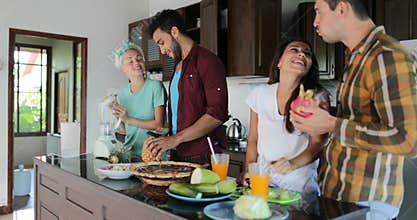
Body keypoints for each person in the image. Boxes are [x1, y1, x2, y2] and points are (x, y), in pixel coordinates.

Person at [290, 0, 417, 219]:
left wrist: (331, 123)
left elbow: (408, 140)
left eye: (318, 12)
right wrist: (325, 114)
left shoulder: (386, 57)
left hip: (367, 204)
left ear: (341, 8)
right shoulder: (356, 56)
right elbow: (360, 118)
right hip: (342, 199)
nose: (315, 22)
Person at [239, 39, 330, 195]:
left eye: (307, 53)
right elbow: (253, 139)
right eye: (294, 49)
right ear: (279, 62)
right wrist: (249, 170)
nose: (301, 53)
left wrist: (292, 164)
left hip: (299, 189)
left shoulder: (315, 97)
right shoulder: (259, 94)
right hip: (263, 184)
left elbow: (318, 144)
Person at [146, 9, 229, 164]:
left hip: (202, 156)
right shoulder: (178, 67)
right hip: (178, 154)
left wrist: (175, 139)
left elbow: (217, 114)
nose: (162, 50)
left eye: (162, 43)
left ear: (175, 32)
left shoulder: (208, 61)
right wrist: (167, 136)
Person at [111, 42, 167, 158]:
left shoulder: (155, 87)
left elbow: (158, 125)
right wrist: (118, 117)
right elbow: (124, 129)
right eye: (130, 61)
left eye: (139, 59)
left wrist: (128, 119)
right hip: (129, 154)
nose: (136, 63)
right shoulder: (122, 93)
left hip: (153, 154)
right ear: (123, 68)